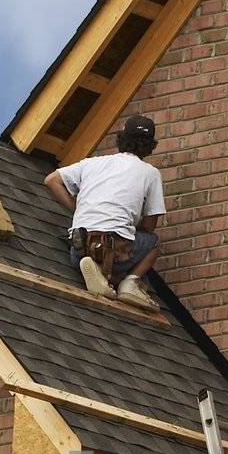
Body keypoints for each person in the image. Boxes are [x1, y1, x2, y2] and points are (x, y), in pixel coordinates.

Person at [44, 115, 164, 311]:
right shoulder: (149, 173)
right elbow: (150, 226)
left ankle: (98, 271)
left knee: (103, 252)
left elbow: (51, 180)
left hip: (79, 249)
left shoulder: (92, 163)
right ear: (150, 145)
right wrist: (132, 224)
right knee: (153, 243)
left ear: (121, 138)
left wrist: (77, 209)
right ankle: (130, 284)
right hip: (116, 252)